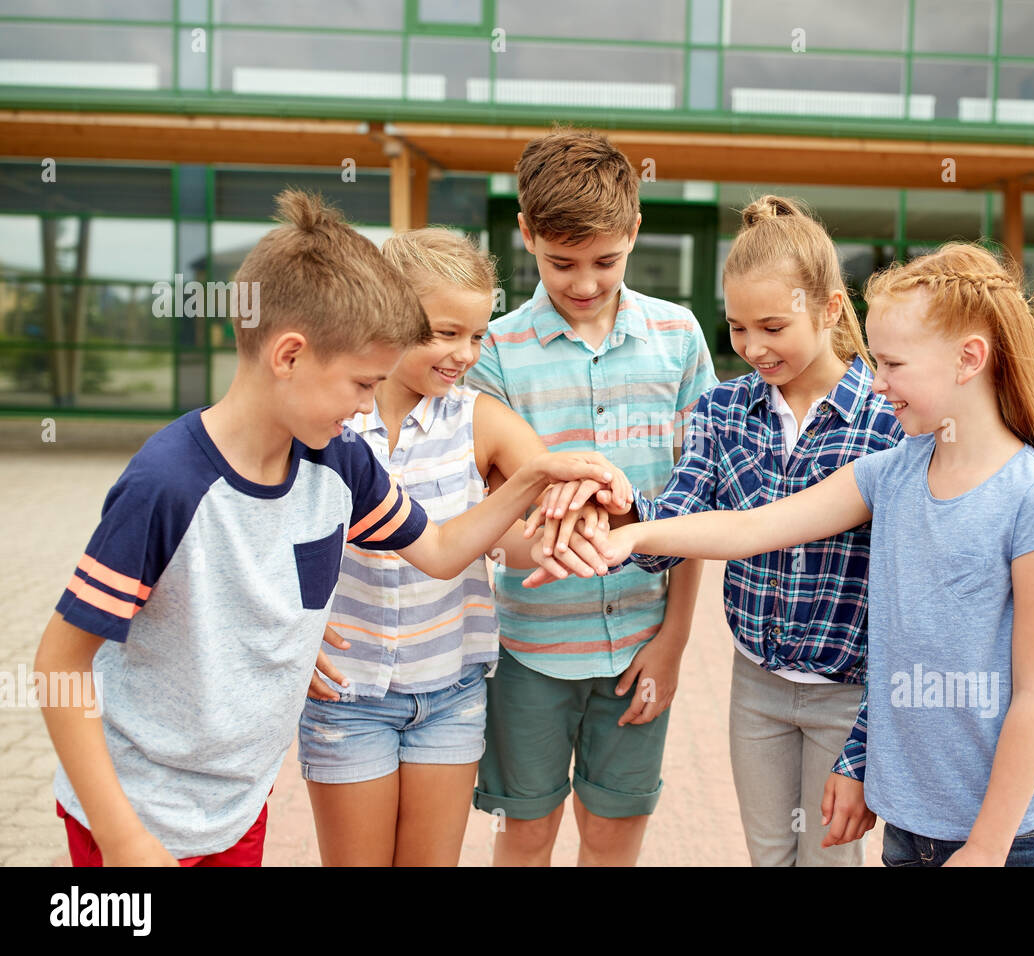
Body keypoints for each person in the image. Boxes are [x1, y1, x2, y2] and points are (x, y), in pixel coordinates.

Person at [31, 190, 621, 866]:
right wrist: (122, 836)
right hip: (135, 815)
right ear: (288, 356)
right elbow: (58, 666)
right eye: (361, 384)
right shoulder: (166, 484)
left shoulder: (340, 462)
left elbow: (438, 550)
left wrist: (531, 479)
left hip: (236, 810)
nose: (369, 405)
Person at [592, 242, 1034, 867]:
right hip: (913, 823)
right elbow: (752, 529)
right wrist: (634, 534)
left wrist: (987, 847)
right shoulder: (891, 474)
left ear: (969, 360)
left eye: (892, 364)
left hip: (1017, 836)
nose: (877, 382)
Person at [527, 195, 903, 865]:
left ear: (831, 310)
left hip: (850, 690)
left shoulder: (887, 421)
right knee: (768, 854)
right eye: (736, 329)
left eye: (773, 326)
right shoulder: (722, 411)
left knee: (828, 859)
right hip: (755, 684)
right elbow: (676, 522)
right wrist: (619, 514)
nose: (754, 349)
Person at [298, 227, 620, 866]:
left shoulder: (479, 420)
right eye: (445, 334)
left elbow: (537, 526)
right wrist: (286, 638)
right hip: (349, 695)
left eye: (476, 335)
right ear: (386, 313)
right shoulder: (328, 421)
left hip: (450, 694)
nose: (465, 354)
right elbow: (267, 539)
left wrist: (580, 519)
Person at [464, 127, 717, 866]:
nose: (582, 282)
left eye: (605, 261)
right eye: (559, 261)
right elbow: (491, 517)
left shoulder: (679, 338)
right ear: (526, 234)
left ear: (635, 231)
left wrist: (672, 644)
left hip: (642, 646)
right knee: (526, 838)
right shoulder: (495, 353)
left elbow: (694, 513)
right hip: (528, 652)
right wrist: (541, 538)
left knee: (612, 842)